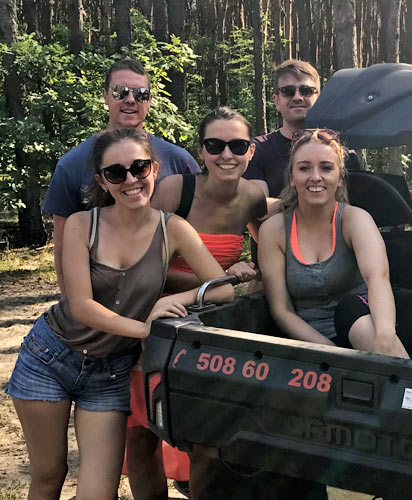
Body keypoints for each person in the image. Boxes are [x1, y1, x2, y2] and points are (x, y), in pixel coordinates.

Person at [6, 128, 233, 500]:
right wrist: (146, 329)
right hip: (50, 357)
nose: (131, 179)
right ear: (102, 180)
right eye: (116, 172)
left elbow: (222, 288)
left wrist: (175, 300)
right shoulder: (83, 224)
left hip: (109, 371)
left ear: (154, 169)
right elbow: (82, 305)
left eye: (139, 167)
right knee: (49, 475)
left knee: (98, 493)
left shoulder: (173, 228)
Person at [122, 107, 267, 499]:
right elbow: (142, 267)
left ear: (251, 150)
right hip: (157, 320)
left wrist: (251, 267)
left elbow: (271, 248)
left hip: (217, 330)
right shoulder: (174, 191)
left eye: (237, 145)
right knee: (142, 434)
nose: (227, 155)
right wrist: (215, 282)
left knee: (209, 440)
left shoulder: (255, 195)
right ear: (200, 151)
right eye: (215, 145)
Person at [43, 59, 200, 295]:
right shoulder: (71, 165)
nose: (130, 99)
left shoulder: (180, 161)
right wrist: (73, 309)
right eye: (120, 91)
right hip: (101, 304)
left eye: (141, 93)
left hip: (173, 304)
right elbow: (63, 248)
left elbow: (204, 230)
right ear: (105, 96)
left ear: (150, 100)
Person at [259, 128, 409, 357]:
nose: (315, 177)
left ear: (339, 177)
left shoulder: (354, 219)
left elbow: (378, 278)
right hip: (312, 343)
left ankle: (406, 384)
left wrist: (386, 335)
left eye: (326, 168)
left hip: (366, 331)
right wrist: (331, 353)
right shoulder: (274, 230)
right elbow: (281, 310)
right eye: (305, 168)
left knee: (356, 318)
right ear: (292, 177)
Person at [244, 59, 320, 208]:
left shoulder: (337, 147)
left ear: (318, 97)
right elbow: (258, 208)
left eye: (306, 90)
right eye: (288, 91)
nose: (297, 97)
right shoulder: (256, 150)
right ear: (276, 100)